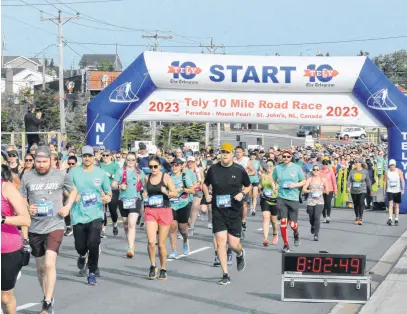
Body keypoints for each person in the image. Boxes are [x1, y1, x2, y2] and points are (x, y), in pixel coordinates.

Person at [20, 146, 76, 314]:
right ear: (33, 160)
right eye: (38, 162)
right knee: (40, 268)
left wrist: (67, 207)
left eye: (45, 162)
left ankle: (46, 303)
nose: (41, 165)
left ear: (51, 160)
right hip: (36, 226)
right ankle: (48, 296)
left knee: (49, 263)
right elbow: (22, 198)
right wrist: (28, 207)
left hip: (55, 224)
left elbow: (73, 191)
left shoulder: (60, 175)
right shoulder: (27, 176)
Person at [203, 142, 251, 285]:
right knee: (221, 242)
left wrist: (242, 193)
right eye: (223, 152)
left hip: (234, 211)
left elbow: (248, 186)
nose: (225, 154)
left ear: (232, 154)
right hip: (218, 211)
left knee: (233, 243)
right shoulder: (213, 169)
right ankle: (225, 274)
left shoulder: (239, 169)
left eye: (228, 152)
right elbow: (205, 184)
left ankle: (240, 253)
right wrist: (207, 195)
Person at [68, 146, 112, 285]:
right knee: (80, 245)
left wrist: (107, 198)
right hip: (78, 214)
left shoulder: (101, 173)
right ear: (81, 157)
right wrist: (71, 197)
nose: (87, 158)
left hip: (95, 213)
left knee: (94, 243)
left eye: (90, 156)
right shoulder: (73, 172)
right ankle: (82, 255)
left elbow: (108, 192)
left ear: (94, 157)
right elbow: (66, 189)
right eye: (84, 156)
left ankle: (92, 272)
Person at [1, 165, 31, 314]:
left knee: (5, 298)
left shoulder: (6, 188)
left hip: (7, 248)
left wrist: (2, 219)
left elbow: (26, 220)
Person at [143, 155, 178, 280]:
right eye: (151, 166)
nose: (153, 169)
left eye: (155, 166)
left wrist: (166, 192)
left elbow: (175, 193)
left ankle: (163, 268)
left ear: (160, 167)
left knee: (161, 244)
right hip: (151, 211)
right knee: (152, 241)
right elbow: (144, 192)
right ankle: (153, 265)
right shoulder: (147, 178)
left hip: (164, 210)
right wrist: (144, 194)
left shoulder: (166, 177)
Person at [272, 149, 306, 253]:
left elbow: (303, 181)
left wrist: (295, 185)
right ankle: (286, 244)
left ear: (291, 157)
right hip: (281, 197)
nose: (286, 158)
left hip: (293, 198)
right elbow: (273, 179)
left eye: (288, 156)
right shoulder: (278, 168)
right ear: (281, 157)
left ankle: (296, 234)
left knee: (292, 224)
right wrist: (274, 187)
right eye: (284, 156)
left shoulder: (296, 168)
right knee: (283, 221)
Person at [112, 152, 144, 257]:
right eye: (128, 160)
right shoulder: (120, 171)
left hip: (135, 200)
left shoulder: (140, 173)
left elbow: (145, 185)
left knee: (131, 224)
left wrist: (145, 192)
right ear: (126, 160)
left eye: (133, 160)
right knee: (126, 226)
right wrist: (120, 186)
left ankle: (130, 248)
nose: (130, 162)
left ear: (136, 161)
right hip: (123, 201)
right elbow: (113, 185)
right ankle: (131, 244)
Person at [168, 158, 195, 259]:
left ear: (180, 166)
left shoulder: (184, 177)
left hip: (183, 204)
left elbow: (192, 191)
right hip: (171, 204)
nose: (174, 167)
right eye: (173, 165)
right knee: (172, 227)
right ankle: (174, 250)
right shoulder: (168, 177)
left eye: (176, 165)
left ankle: (185, 240)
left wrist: (183, 189)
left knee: (182, 229)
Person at [303, 165, 328, 241]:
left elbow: (327, 188)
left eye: (317, 170)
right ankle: (313, 225)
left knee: (317, 217)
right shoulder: (309, 179)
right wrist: (310, 191)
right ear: (312, 171)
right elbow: (304, 189)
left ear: (320, 171)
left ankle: (316, 235)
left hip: (320, 201)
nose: (316, 171)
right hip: (311, 201)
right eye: (314, 169)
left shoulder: (323, 179)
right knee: (311, 217)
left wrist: (326, 191)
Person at [234, 146, 256, 233]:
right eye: (236, 152)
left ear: (243, 153)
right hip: (234, 185)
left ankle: (243, 221)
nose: (238, 153)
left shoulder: (246, 160)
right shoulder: (233, 160)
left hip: (244, 186)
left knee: (244, 204)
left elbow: (254, 171)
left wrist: (246, 174)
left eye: (239, 152)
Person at [259, 159, 279, 246]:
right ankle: (266, 238)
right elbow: (260, 185)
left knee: (274, 221)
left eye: (271, 165)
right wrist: (260, 189)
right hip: (265, 199)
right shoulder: (263, 176)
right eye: (267, 165)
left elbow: (275, 191)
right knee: (266, 218)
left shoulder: (277, 177)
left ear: (274, 167)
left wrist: (272, 184)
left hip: (274, 200)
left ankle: (275, 233)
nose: (269, 167)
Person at [100, 150, 120, 237]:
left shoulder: (115, 165)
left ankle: (115, 224)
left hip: (113, 189)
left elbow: (119, 176)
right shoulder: (100, 165)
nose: (105, 157)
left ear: (111, 156)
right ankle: (103, 230)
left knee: (112, 211)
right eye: (103, 155)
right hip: (102, 190)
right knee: (102, 211)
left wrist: (111, 175)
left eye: (107, 155)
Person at [347, 158, 372, 225]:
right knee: (356, 204)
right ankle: (357, 217)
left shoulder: (365, 171)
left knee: (361, 202)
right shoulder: (352, 171)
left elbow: (368, 181)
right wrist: (348, 187)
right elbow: (349, 180)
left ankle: (360, 218)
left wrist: (370, 190)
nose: (356, 164)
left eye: (357, 163)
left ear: (360, 164)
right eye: (355, 163)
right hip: (354, 190)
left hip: (362, 189)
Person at [383, 159, 405, 226]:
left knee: (397, 205)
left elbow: (402, 180)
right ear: (389, 165)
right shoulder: (387, 172)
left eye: (393, 165)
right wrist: (384, 192)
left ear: (395, 165)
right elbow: (384, 182)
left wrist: (403, 189)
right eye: (391, 165)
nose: (392, 167)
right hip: (390, 190)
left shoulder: (399, 171)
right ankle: (390, 218)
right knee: (390, 204)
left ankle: (396, 219)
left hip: (397, 190)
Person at [320, 158, 337, 223]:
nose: (325, 166)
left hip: (329, 189)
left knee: (328, 203)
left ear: (328, 165)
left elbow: (334, 181)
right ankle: (324, 216)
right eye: (323, 164)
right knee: (322, 204)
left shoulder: (330, 171)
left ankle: (328, 216)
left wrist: (335, 190)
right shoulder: (319, 171)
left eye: (326, 164)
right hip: (321, 190)